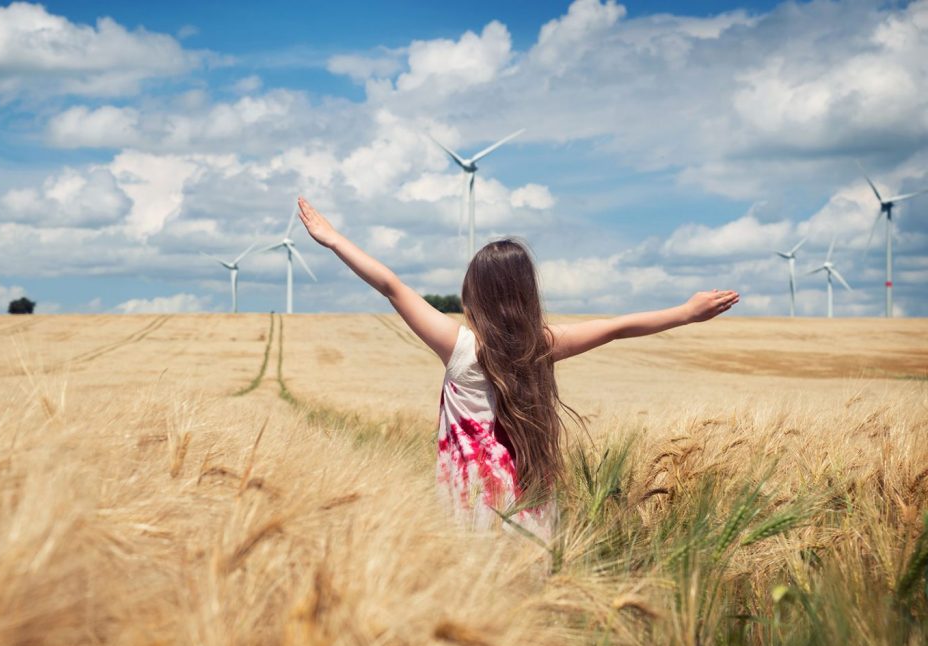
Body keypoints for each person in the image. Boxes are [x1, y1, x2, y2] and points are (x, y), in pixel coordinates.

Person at [295, 196, 739, 541]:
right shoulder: (540, 346)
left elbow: (390, 285)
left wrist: (334, 239)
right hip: (531, 502)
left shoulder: (459, 347)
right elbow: (616, 328)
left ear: (474, 293)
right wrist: (685, 312)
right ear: (526, 294)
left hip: (467, 505)